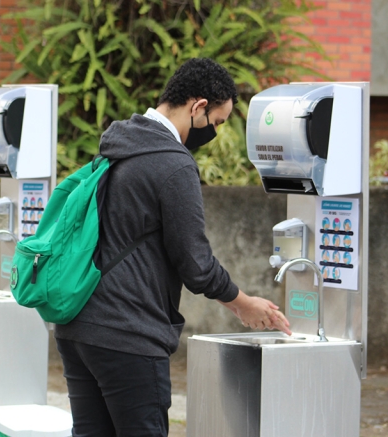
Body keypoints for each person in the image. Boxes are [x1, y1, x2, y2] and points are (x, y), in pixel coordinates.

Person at [54, 58, 291, 436]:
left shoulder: (116, 145)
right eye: (216, 122)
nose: (213, 131)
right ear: (198, 106)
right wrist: (243, 302)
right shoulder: (173, 164)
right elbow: (195, 263)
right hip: (127, 332)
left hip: (78, 326)